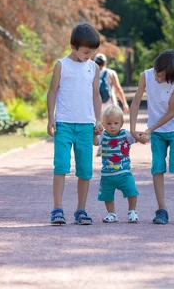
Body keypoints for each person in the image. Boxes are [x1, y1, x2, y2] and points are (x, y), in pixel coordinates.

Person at [129, 49, 174, 225]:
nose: (158, 79)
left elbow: (172, 112)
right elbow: (136, 102)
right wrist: (132, 129)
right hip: (158, 131)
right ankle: (161, 210)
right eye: (157, 74)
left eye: (163, 77)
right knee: (157, 167)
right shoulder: (146, 76)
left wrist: (150, 129)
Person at [46, 22, 103, 225]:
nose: (88, 56)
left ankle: (81, 210)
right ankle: (57, 209)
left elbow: (96, 95)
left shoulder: (94, 68)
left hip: (86, 126)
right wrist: (50, 118)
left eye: (92, 52)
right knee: (61, 166)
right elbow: (52, 91)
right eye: (86, 52)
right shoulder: (62, 65)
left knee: (85, 170)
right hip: (64, 124)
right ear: (73, 47)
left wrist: (98, 120)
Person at [94, 105, 140, 223]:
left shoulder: (125, 134)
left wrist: (142, 136)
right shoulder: (103, 135)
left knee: (132, 191)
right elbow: (95, 143)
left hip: (124, 172)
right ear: (103, 124)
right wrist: (95, 134)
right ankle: (112, 213)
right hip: (107, 174)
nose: (112, 126)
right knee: (107, 195)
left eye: (116, 123)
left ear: (122, 123)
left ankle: (132, 211)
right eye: (108, 124)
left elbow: (136, 138)